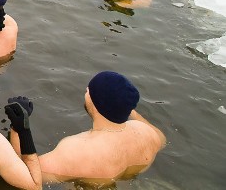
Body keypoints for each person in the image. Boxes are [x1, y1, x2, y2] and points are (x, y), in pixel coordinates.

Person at [21, 71, 165, 184]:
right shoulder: (148, 134)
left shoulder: (77, 151)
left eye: (89, 90)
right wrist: (128, 109)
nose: (86, 90)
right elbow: (162, 139)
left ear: (97, 103)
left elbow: (28, 175)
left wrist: (20, 128)